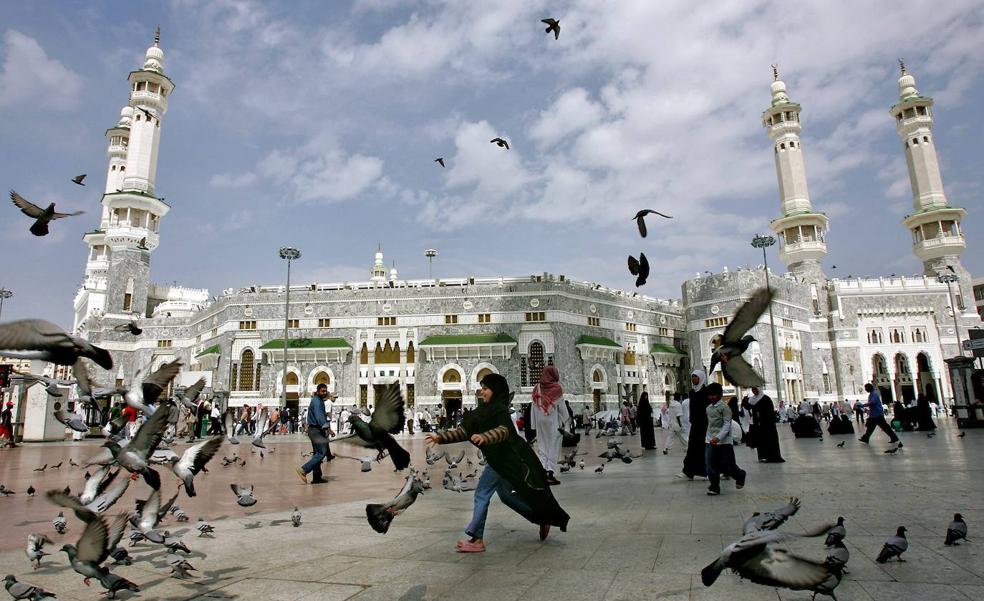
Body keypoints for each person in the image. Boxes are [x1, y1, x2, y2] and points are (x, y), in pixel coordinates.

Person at [426, 373, 569, 552]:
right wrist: (440, 438)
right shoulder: (481, 412)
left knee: (481, 493)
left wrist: (485, 437)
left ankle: (477, 539)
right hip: (498, 460)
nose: (482, 391)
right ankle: (541, 519)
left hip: (505, 459)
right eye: (482, 388)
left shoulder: (500, 410)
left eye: (486, 388)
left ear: (496, 391)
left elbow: (503, 431)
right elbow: (464, 431)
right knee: (506, 495)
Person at [704, 383, 746, 496]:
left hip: (724, 442)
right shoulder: (708, 408)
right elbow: (710, 424)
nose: (711, 397)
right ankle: (714, 486)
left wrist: (718, 437)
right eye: (710, 395)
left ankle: (740, 475)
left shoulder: (724, 408)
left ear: (719, 395)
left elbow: (727, 424)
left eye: (714, 395)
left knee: (729, 465)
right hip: (710, 440)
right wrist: (709, 438)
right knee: (710, 464)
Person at [531, 365, 570, 485]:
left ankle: (542, 471)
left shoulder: (537, 387)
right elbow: (562, 408)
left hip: (540, 422)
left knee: (542, 445)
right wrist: (567, 424)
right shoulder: (556, 388)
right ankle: (550, 472)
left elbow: (533, 406)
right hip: (552, 422)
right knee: (553, 446)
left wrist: (533, 425)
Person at [295, 383, 336, 484]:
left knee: (317, 453)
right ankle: (304, 470)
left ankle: (317, 477)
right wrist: (327, 428)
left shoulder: (318, 400)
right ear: (318, 392)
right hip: (315, 430)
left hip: (315, 430)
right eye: (322, 391)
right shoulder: (317, 401)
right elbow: (319, 416)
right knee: (322, 452)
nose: (324, 393)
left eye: (325, 391)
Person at [677, 369, 709, 480]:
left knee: (703, 448)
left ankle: (706, 471)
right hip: (695, 424)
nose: (693, 379)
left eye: (696, 377)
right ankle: (688, 472)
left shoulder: (706, 391)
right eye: (692, 376)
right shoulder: (692, 392)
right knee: (692, 448)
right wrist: (691, 419)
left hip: (704, 424)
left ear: (700, 378)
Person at [746, 386, 784, 463]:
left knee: (769, 440)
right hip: (757, 424)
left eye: (755, 389)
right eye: (753, 389)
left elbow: (770, 412)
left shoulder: (766, 399)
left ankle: (772, 457)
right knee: (760, 440)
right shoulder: (752, 400)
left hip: (767, 424)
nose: (754, 391)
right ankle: (762, 456)